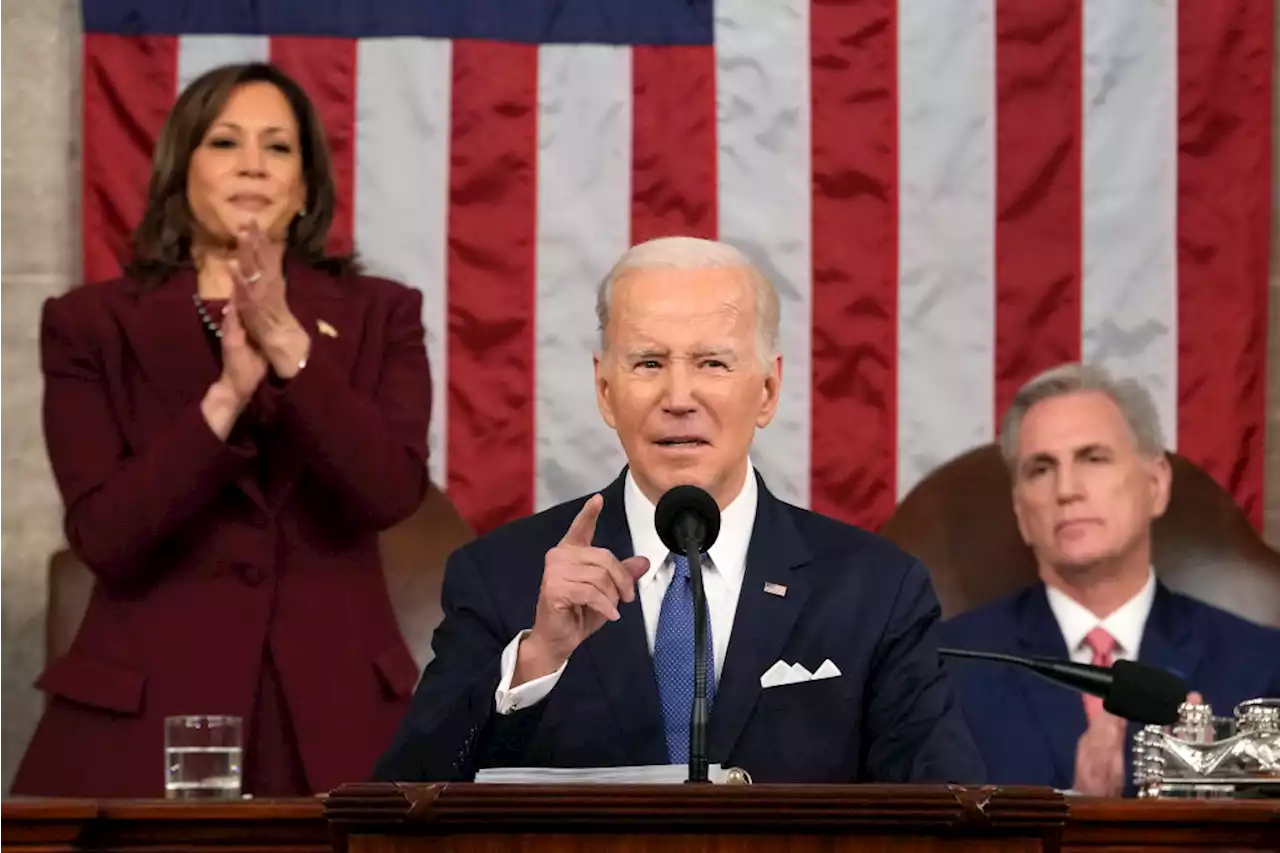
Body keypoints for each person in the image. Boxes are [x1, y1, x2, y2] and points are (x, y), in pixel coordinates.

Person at [372, 236, 984, 784]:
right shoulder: (503, 576)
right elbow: (407, 800)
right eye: (648, 364)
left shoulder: (874, 591)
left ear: (767, 390)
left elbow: (945, 812)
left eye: (713, 363)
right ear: (606, 391)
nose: (679, 397)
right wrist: (535, 659)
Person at [12, 62, 432, 797]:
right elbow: (105, 533)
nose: (252, 165)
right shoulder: (89, 325)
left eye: (278, 147)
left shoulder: (381, 313)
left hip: (337, 717)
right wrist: (227, 395)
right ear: (181, 171)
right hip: (147, 717)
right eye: (224, 141)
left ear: (305, 186)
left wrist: (287, 346)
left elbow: (389, 490)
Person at [938, 363, 1280, 796]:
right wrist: (1078, 813)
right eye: (1040, 469)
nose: (1066, 489)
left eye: (1093, 458)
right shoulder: (948, 670)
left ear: (1155, 484)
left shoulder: (1261, 666)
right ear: (1021, 513)